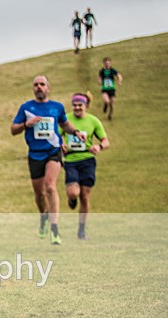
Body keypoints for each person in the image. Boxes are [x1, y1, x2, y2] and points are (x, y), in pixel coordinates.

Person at [11, 75, 86, 245]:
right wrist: (26, 124)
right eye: (36, 85)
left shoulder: (57, 107)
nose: (39, 87)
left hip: (53, 151)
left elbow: (64, 124)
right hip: (35, 155)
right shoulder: (26, 108)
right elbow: (13, 130)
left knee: (50, 186)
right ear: (33, 88)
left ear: (48, 87)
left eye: (42, 84)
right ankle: (43, 216)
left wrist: (75, 132)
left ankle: (54, 229)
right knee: (39, 194)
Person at [60, 92, 109, 240]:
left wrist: (99, 147)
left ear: (85, 106)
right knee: (74, 193)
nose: (77, 107)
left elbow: (106, 140)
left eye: (80, 105)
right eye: (74, 105)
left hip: (87, 160)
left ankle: (81, 230)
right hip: (71, 160)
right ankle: (71, 199)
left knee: (85, 196)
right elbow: (55, 135)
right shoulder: (66, 119)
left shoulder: (93, 121)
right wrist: (60, 144)